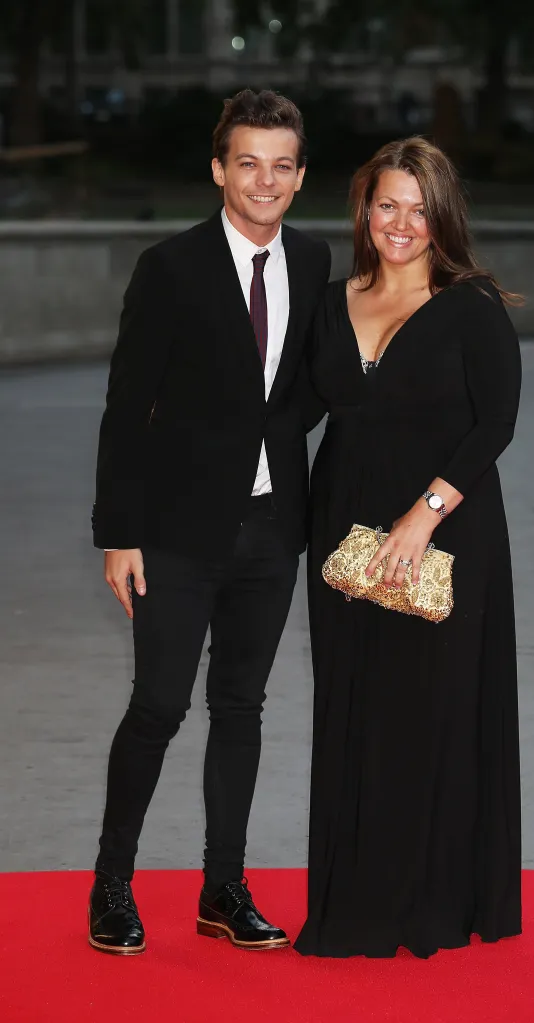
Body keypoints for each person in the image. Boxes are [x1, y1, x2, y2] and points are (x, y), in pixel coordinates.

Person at [88, 89, 331, 955]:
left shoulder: (311, 260)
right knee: (157, 704)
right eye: (247, 162)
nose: (263, 180)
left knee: (241, 705)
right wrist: (117, 532)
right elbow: (126, 408)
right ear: (220, 169)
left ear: (299, 177)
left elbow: (303, 384)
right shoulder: (170, 267)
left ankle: (221, 887)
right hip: (175, 533)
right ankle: (111, 884)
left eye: (281, 165)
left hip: (272, 529)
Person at [294, 137, 522, 959]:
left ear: (441, 216)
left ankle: (432, 904)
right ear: (364, 209)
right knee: (352, 706)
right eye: (386, 204)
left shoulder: (473, 306)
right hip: (343, 537)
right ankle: (354, 904)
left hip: (445, 531)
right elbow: (286, 412)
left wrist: (422, 516)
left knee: (431, 707)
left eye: (418, 208)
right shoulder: (327, 303)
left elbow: (494, 423)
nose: (400, 222)